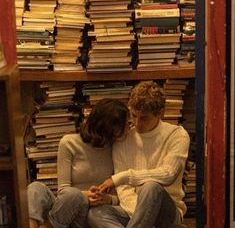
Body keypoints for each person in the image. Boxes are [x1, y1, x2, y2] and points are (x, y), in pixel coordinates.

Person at [88, 81, 190, 228]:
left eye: (144, 118)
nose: (137, 123)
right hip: (135, 213)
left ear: (160, 114)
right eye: (134, 115)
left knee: (151, 187)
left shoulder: (177, 135)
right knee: (95, 214)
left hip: (167, 213)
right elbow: (124, 191)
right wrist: (143, 214)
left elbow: (168, 174)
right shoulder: (124, 138)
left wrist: (123, 177)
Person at [28, 98, 129, 228]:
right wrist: (86, 194)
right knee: (35, 188)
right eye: (124, 124)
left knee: (74, 195)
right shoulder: (69, 143)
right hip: (65, 207)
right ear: (109, 126)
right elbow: (63, 191)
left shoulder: (117, 148)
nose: (128, 128)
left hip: (89, 213)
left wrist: (106, 199)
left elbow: (122, 195)